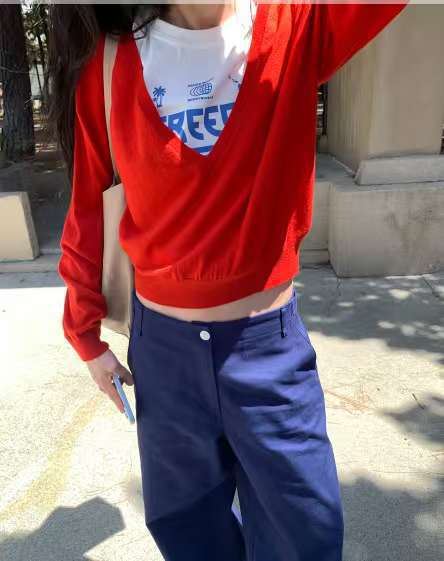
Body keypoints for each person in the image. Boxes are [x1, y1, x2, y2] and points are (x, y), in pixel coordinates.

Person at [48, 2, 407, 559]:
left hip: (267, 351)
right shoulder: (110, 61)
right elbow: (89, 206)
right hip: (162, 357)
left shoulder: (299, 24)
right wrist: (85, 335)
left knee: (305, 536)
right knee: (189, 533)